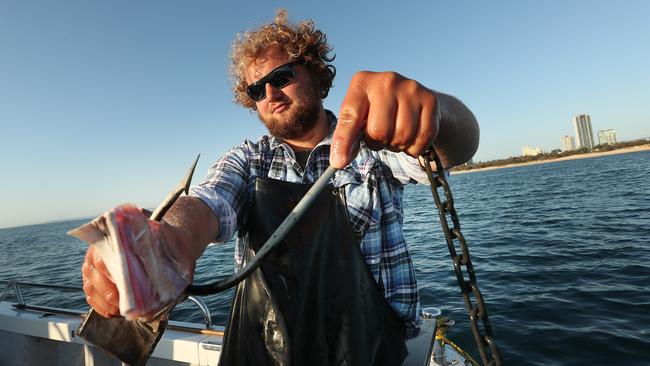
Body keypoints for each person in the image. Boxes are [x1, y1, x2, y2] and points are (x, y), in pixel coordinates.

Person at [81, 9, 479, 365]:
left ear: (317, 76)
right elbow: (207, 202)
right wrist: (168, 242)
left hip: (372, 352)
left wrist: (435, 114)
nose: (269, 94)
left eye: (281, 77)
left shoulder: (372, 146)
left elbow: (456, 148)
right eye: (257, 90)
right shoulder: (249, 159)